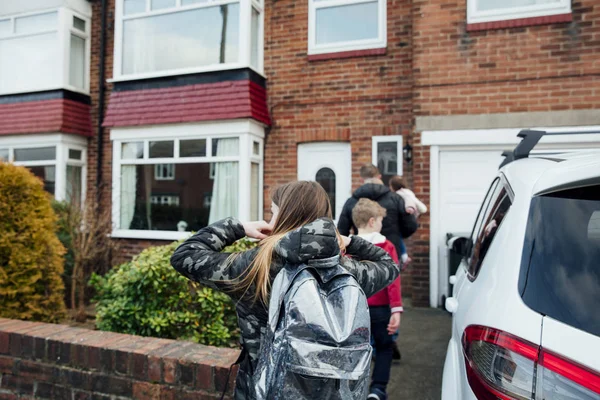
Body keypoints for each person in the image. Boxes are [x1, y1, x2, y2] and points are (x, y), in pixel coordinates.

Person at [170, 181, 400, 400]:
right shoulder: (346, 270)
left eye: (273, 212)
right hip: (331, 390)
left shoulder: (255, 267)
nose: (271, 218)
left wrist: (239, 228)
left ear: (284, 215)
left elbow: (185, 255)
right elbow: (389, 266)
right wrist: (349, 242)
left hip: (263, 388)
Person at [352, 199, 403, 400]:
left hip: (355, 309)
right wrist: (396, 309)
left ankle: (353, 389)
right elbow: (393, 280)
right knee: (384, 348)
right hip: (381, 309)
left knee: (355, 350)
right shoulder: (386, 246)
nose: (382, 225)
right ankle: (377, 389)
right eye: (381, 221)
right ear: (372, 221)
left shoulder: (347, 246)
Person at [338, 164, 418, 267]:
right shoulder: (395, 198)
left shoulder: (352, 201)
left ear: (363, 179)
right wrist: (396, 235)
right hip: (391, 252)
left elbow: (342, 231)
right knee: (391, 281)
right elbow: (410, 226)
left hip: (361, 254)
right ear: (379, 176)